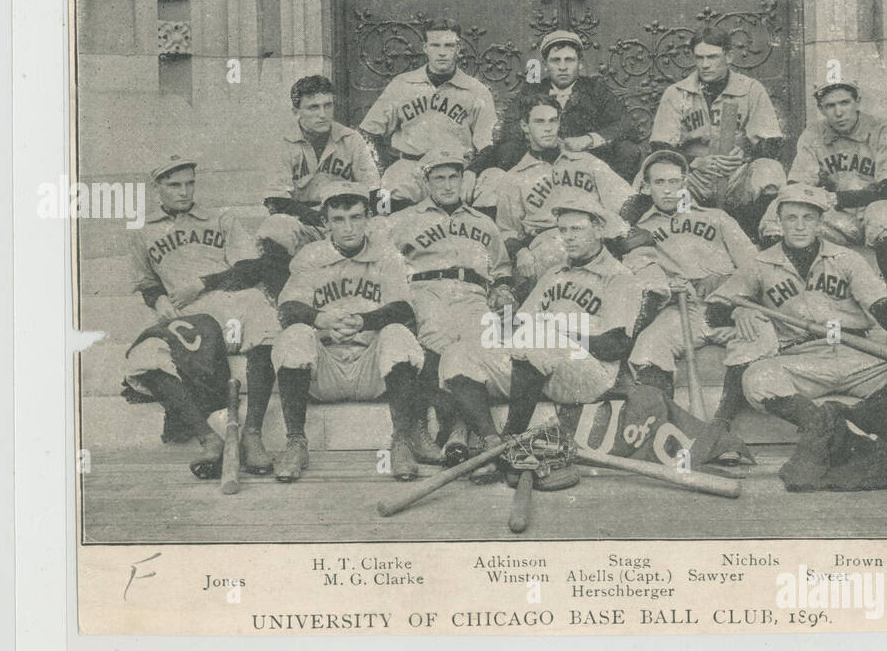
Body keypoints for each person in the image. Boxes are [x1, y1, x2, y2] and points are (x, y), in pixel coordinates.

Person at [703, 183, 887, 441]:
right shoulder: (759, 264)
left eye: (808, 218)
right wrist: (737, 311)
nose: (799, 225)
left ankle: (856, 417)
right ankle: (828, 425)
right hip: (803, 359)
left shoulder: (845, 258)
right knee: (756, 380)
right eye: (791, 218)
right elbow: (713, 310)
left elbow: (881, 306)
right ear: (780, 222)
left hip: (856, 353)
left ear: (820, 222)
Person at [441, 190, 644, 474]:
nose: (568, 236)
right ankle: (491, 442)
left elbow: (616, 345)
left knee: (539, 338)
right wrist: (506, 312)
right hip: (539, 366)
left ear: (599, 230)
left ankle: (511, 441)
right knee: (459, 352)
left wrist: (557, 332)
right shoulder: (554, 274)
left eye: (577, 229)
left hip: (589, 372)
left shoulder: (620, 278)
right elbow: (521, 326)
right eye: (563, 230)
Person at [270, 178, 440, 483]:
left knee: (398, 334)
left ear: (369, 219)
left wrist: (365, 320)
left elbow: (403, 309)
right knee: (294, 335)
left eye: (356, 217)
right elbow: (287, 309)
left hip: (371, 369)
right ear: (325, 223)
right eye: (338, 220)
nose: (348, 227)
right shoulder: (310, 256)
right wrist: (320, 318)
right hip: (324, 369)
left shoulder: (386, 255)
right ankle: (295, 442)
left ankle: (401, 441)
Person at [123, 157, 279, 478]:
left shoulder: (220, 218)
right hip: (189, 314)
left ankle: (252, 434)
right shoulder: (142, 230)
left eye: (189, 183)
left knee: (267, 328)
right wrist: (159, 298)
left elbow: (250, 268)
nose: (184, 192)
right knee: (145, 357)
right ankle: (209, 437)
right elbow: (147, 282)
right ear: (158, 189)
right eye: (174, 185)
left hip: (232, 300)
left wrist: (202, 283)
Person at [391, 147, 516, 463]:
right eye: (439, 178)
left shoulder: (483, 224)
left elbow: (501, 271)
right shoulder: (403, 222)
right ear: (427, 182)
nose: (447, 185)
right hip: (427, 289)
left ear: (464, 179)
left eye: (454, 177)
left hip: (473, 293)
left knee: (476, 351)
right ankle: (459, 428)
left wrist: (501, 289)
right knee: (438, 344)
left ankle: (460, 429)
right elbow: (383, 266)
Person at [770, 80, 887, 309]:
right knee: (778, 216)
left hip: (883, 208)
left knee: (883, 215)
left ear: (857, 102)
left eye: (845, 102)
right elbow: (798, 184)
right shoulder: (813, 134)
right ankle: (793, 304)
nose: (838, 112)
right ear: (821, 109)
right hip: (840, 217)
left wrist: (840, 198)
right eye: (830, 105)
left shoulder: (884, 130)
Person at [621, 150, 759, 401]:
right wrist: (666, 284)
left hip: (732, 304)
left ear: (684, 183)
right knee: (648, 346)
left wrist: (736, 302)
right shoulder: (640, 231)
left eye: (673, 182)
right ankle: (664, 423)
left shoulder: (717, 218)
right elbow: (638, 272)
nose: (667, 190)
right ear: (647, 187)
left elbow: (754, 267)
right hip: (683, 308)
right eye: (659, 182)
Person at [648, 25, 786, 238]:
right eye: (699, 58)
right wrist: (695, 162)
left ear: (729, 56)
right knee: (645, 178)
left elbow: (771, 143)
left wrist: (745, 155)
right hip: (693, 177)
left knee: (771, 169)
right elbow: (660, 148)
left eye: (712, 57)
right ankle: (665, 234)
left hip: (736, 176)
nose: (705, 65)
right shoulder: (676, 93)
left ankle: (766, 234)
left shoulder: (750, 89)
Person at [358, 17, 499, 210]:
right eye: (435, 45)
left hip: (456, 170)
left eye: (449, 46)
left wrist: (472, 172)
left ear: (458, 49)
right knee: (385, 201)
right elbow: (368, 133)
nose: (442, 52)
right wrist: (387, 166)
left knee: (495, 183)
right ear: (425, 48)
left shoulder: (476, 90)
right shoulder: (402, 84)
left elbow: (488, 146)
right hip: (412, 168)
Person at [495, 95, 631, 293]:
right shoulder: (514, 178)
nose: (548, 128)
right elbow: (506, 230)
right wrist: (520, 251)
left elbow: (625, 200)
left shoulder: (585, 161)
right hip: (548, 244)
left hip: (595, 238)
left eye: (553, 120)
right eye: (539, 122)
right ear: (525, 126)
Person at [256, 74, 381, 261]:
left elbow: (376, 190)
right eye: (313, 107)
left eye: (327, 105)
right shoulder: (282, 143)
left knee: (383, 226)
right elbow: (275, 201)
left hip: (346, 219)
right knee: (275, 227)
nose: (322, 114)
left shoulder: (352, 138)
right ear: (296, 111)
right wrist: (322, 219)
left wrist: (382, 214)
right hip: (304, 222)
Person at [491, 29, 641, 179]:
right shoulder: (532, 90)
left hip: (587, 163)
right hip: (542, 163)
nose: (562, 67)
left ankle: (618, 201)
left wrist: (588, 140)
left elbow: (626, 125)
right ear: (545, 66)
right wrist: (543, 139)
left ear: (580, 64)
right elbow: (510, 127)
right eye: (555, 60)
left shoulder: (595, 89)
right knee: (507, 149)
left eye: (569, 60)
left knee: (628, 149)